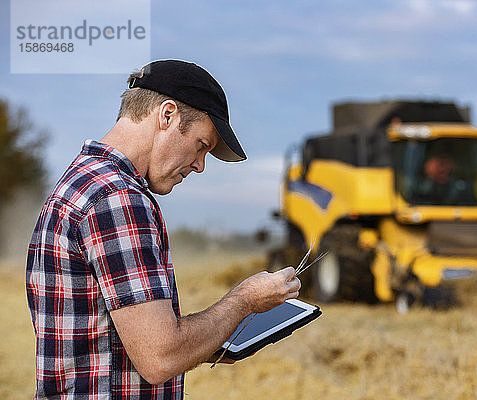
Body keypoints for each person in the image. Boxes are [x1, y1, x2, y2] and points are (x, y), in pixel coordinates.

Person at [25, 60, 301, 399]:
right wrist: (244, 301)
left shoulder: (82, 181)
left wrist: (207, 340)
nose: (200, 166)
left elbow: (119, 340)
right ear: (167, 115)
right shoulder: (118, 199)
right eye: (201, 144)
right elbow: (160, 357)